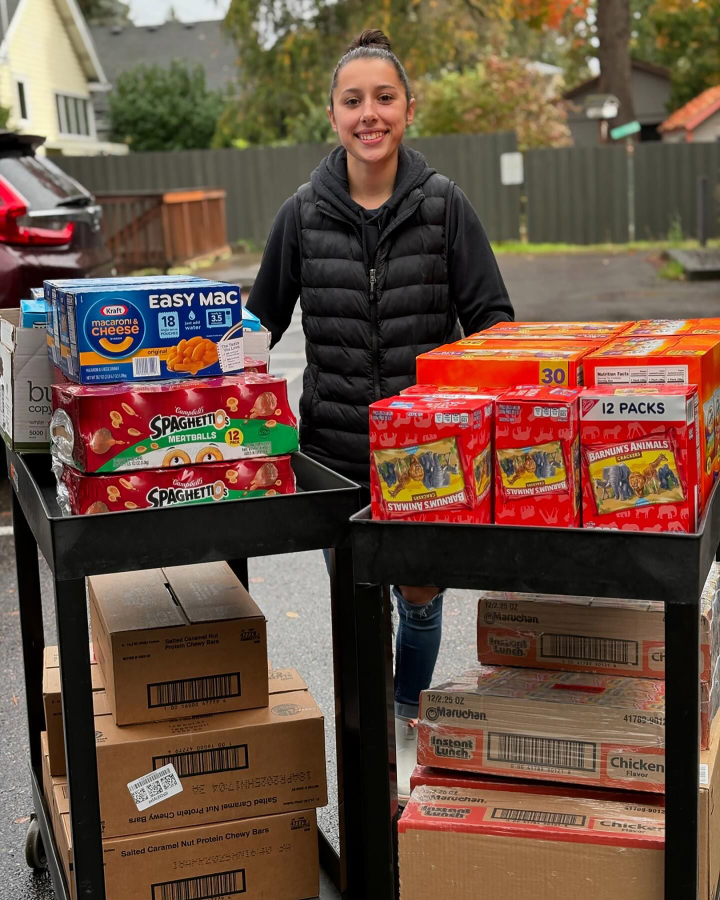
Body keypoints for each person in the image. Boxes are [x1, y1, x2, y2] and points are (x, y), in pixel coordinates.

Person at [246, 28, 514, 798]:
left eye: (384, 98)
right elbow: (258, 325)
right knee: (356, 601)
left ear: (408, 109)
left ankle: (402, 722)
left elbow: (494, 323)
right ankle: (369, 738)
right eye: (354, 100)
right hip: (332, 453)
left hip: (426, 458)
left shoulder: (444, 207)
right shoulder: (301, 215)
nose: (371, 113)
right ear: (333, 114)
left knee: (420, 600)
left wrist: (461, 416)